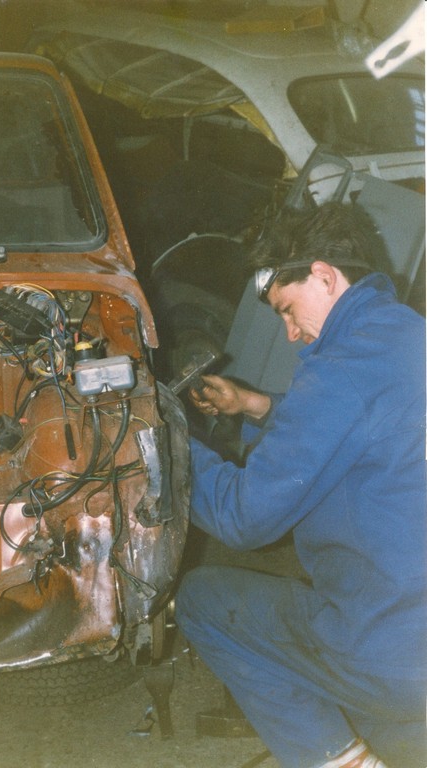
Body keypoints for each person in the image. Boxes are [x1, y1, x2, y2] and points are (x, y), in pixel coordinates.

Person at [175, 203, 426, 768]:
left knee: (204, 600)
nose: (290, 334)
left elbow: (243, 519)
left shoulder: (339, 369)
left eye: (287, 311)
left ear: (324, 275)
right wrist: (255, 405)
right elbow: (362, 425)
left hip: (396, 648)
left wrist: (167, 444)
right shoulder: (408, 333)